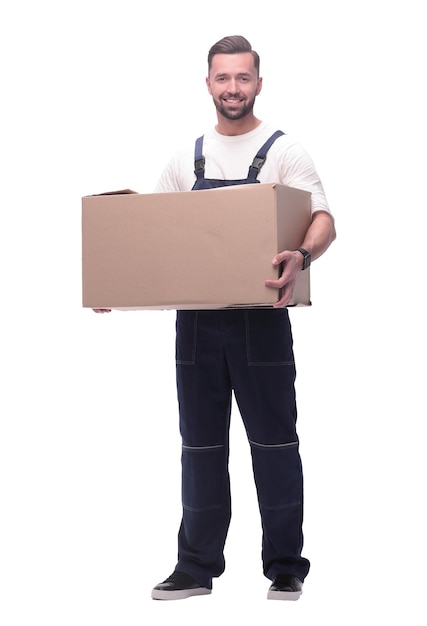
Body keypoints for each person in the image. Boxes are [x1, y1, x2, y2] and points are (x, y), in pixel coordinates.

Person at [96, 35, 336, 601]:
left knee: (274, 444)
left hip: (263, 322)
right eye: (223, 78)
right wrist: (116, 284)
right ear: (208, 84)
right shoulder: (187, 158)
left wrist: (301, 256)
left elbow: (324, 219)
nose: (233, 88)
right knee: (200, 446)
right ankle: (196, 566)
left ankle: (284, 564)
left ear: (258, 83)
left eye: (243, 78)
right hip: (197, 328)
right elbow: (154, 238)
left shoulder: (285, 151)